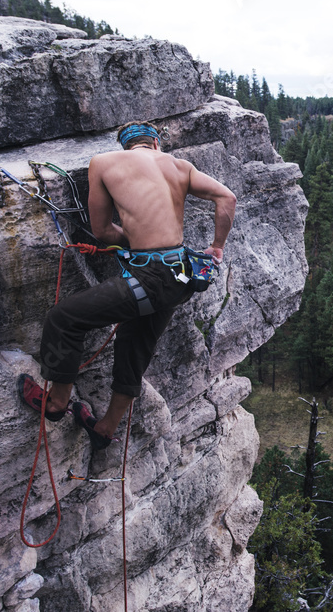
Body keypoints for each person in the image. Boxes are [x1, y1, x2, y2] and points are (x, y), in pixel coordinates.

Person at [19, 121, 237, 449]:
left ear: (126, 147)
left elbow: (103, 230)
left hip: (149, 277)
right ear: (155, 144)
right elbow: (226, 197)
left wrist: (132, 239)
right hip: (181, 276)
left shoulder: (104, 163)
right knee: (134, 349)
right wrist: (217, 245)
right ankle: (105, 428)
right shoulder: (179, 166)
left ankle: (57, 403)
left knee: (64, 319)